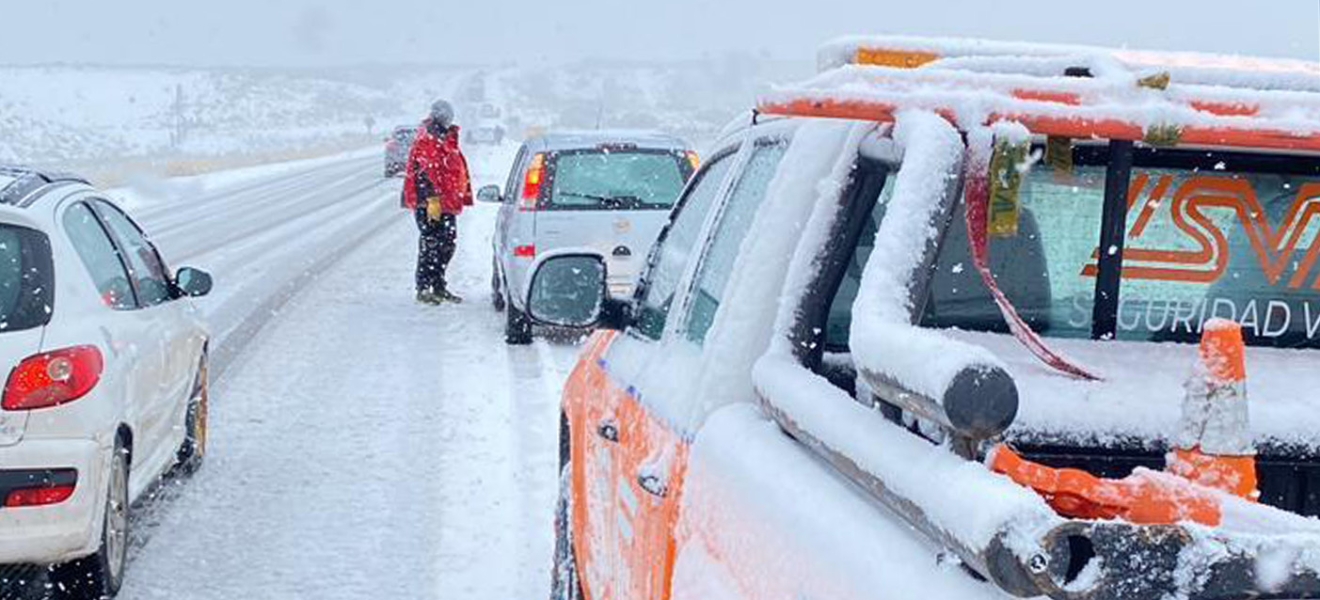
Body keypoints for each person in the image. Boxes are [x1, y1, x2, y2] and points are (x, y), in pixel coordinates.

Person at [403, 99, 473, 304]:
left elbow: (449, 169)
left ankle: (439, 285)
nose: (449, 119)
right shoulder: (428, 138)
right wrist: (431, 199)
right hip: (431, 204)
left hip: (447, 203)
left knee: (447, 245)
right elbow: (424, 171)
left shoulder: (447, 137)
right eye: (446, 116)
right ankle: (423, 288)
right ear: (439, 116)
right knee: (431, 245)